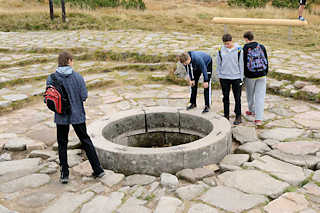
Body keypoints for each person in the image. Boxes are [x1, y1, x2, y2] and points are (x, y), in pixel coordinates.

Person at [46, 52, 105, 184]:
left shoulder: (51, 78)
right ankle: (98, 169)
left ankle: (64, 174)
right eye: (72, 60)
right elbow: (84, 96)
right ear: (69, 61)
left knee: (62, 144)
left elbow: (48, 98)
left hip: (61, 116)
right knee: (86, 141)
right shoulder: (78, 77)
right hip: (77, 115)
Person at [216, 34, 244, 125]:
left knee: (237, 98)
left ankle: (238, 116)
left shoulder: (239, 50)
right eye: (225, 44)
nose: (227, 45)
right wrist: (219, 75)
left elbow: (241, 64)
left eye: (228, 43)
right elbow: (219, 63)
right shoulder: (220, 50)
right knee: (225, 97)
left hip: (236, 78)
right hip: (224, 78)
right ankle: (226, 115)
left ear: (232, 41)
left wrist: (241, 78)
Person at [242, 31, 268, 126]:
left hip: (250, 76)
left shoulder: (245, 48)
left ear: (246, 39)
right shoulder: (261, 46)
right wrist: (265, 73)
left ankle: (252, 111)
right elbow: (266, 60)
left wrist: (243, 76)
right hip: (262, 75)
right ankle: (258, 119)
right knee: (260, 97)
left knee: (250, 94)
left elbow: (243, 63)